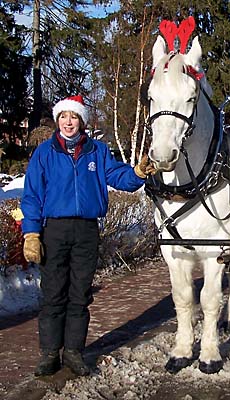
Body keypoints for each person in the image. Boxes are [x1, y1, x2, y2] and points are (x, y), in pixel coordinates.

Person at [21, 95, 156, 377]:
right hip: (54, 230)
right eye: (63, 117)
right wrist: (31, 233)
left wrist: (138, 172)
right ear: (57, 121)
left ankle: (73, 352)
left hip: (86, 230)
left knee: (80, 294)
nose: (68, 122)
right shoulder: (44, 153)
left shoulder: (97, 151)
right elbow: (32, 196)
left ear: (81, 121)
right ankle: (49, 353)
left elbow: (120, 177)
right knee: (53, 293)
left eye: (73, 117)